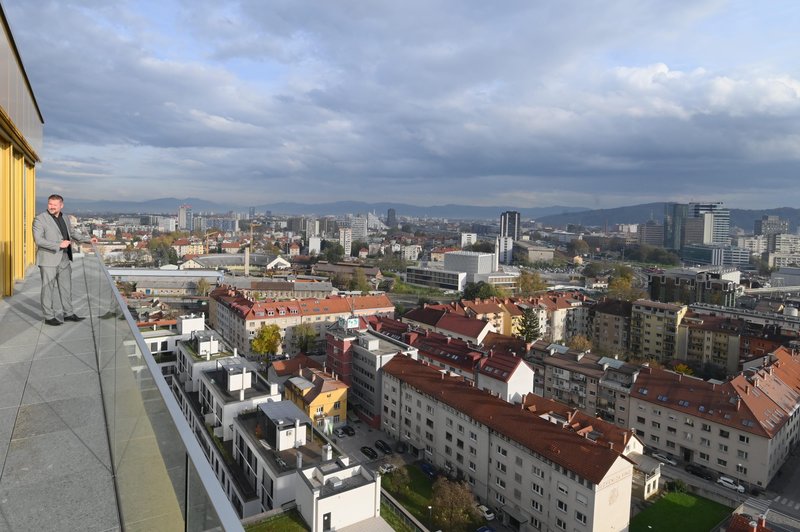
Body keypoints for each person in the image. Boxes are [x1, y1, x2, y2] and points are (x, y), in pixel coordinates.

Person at [32, 194, 97, 326]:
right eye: (50, 204)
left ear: (61, 205)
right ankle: (49, 316)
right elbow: (38, 240)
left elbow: (72, 233)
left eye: (55, 205)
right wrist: (58, 245)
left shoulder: (66, 218)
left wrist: (87, 240)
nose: (51, 207)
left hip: (65, 258)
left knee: (66, 288)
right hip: (48, 259)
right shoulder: (39, 219)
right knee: (48, 289)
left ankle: (68, 314)